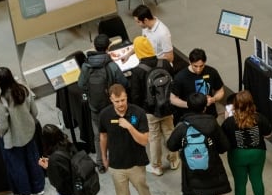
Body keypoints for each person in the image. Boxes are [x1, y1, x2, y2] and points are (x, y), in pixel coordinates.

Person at [167, 92, 231, 195]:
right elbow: (225, 146)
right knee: (208, 193)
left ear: (188, 106)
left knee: (188, 192)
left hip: (189, 167)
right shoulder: (212, 123)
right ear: (205, 107)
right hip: (210, 165)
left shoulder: (183, 126)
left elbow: (171, 145)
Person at [99, 84, 153, 195]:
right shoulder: (105, 114)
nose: (121, 104)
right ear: (111, 100)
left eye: (123, 100)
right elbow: (103, 136)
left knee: (143, 190)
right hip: (116, 164)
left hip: (136, 162)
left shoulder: (138, 113)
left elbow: (144, 140)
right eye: (117, 101)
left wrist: (129, 127)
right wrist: (104, 157)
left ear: (127, 97)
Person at [128, 37, 178, 176]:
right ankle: (174, 160)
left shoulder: (138, 70)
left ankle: (156, 166)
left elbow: (136, 95)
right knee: (169, 132)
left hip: (150, 110)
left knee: (154, 137)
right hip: (167, 106)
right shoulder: (165, 63)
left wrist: (140, 112)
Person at [0, 66, 46, 195]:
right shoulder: (24, 90)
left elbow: (4, 125)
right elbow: (35, 112)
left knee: (17, 165)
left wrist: (0, 133)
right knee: (34, 159)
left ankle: (25, 191)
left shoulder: (2, 100)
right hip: (29, 132)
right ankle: (39, 187)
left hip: (14, 139)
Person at [79, 34, 127, 171]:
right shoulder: (111, 65)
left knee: (98, 134)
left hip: (94, 106)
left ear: (94, 46)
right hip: (111, 107)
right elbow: (123, 83)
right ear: (108, 47)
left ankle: (100, 163)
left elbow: (81, 84)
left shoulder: (86, 65)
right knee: (114, 131)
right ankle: (117, 159)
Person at [221, 90, 271, 195]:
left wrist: (226, 118)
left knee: (240, 181)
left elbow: (223, 138)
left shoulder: (230, 122)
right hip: (257, 153)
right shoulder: (259, 118)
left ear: (235, 105)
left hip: (237, 155)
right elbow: (269, 134)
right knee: (257, 178)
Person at [169, 48, 225, 122]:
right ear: (190, 62)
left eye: (201, 66)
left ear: (205, 62)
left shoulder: (212, 72)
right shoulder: (180, 77)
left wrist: (213, 99)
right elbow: (173, 99)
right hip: (189, 118)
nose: (198, 69)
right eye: (195, 66)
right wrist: (190, 105)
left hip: (209, 116)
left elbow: (220, 91)